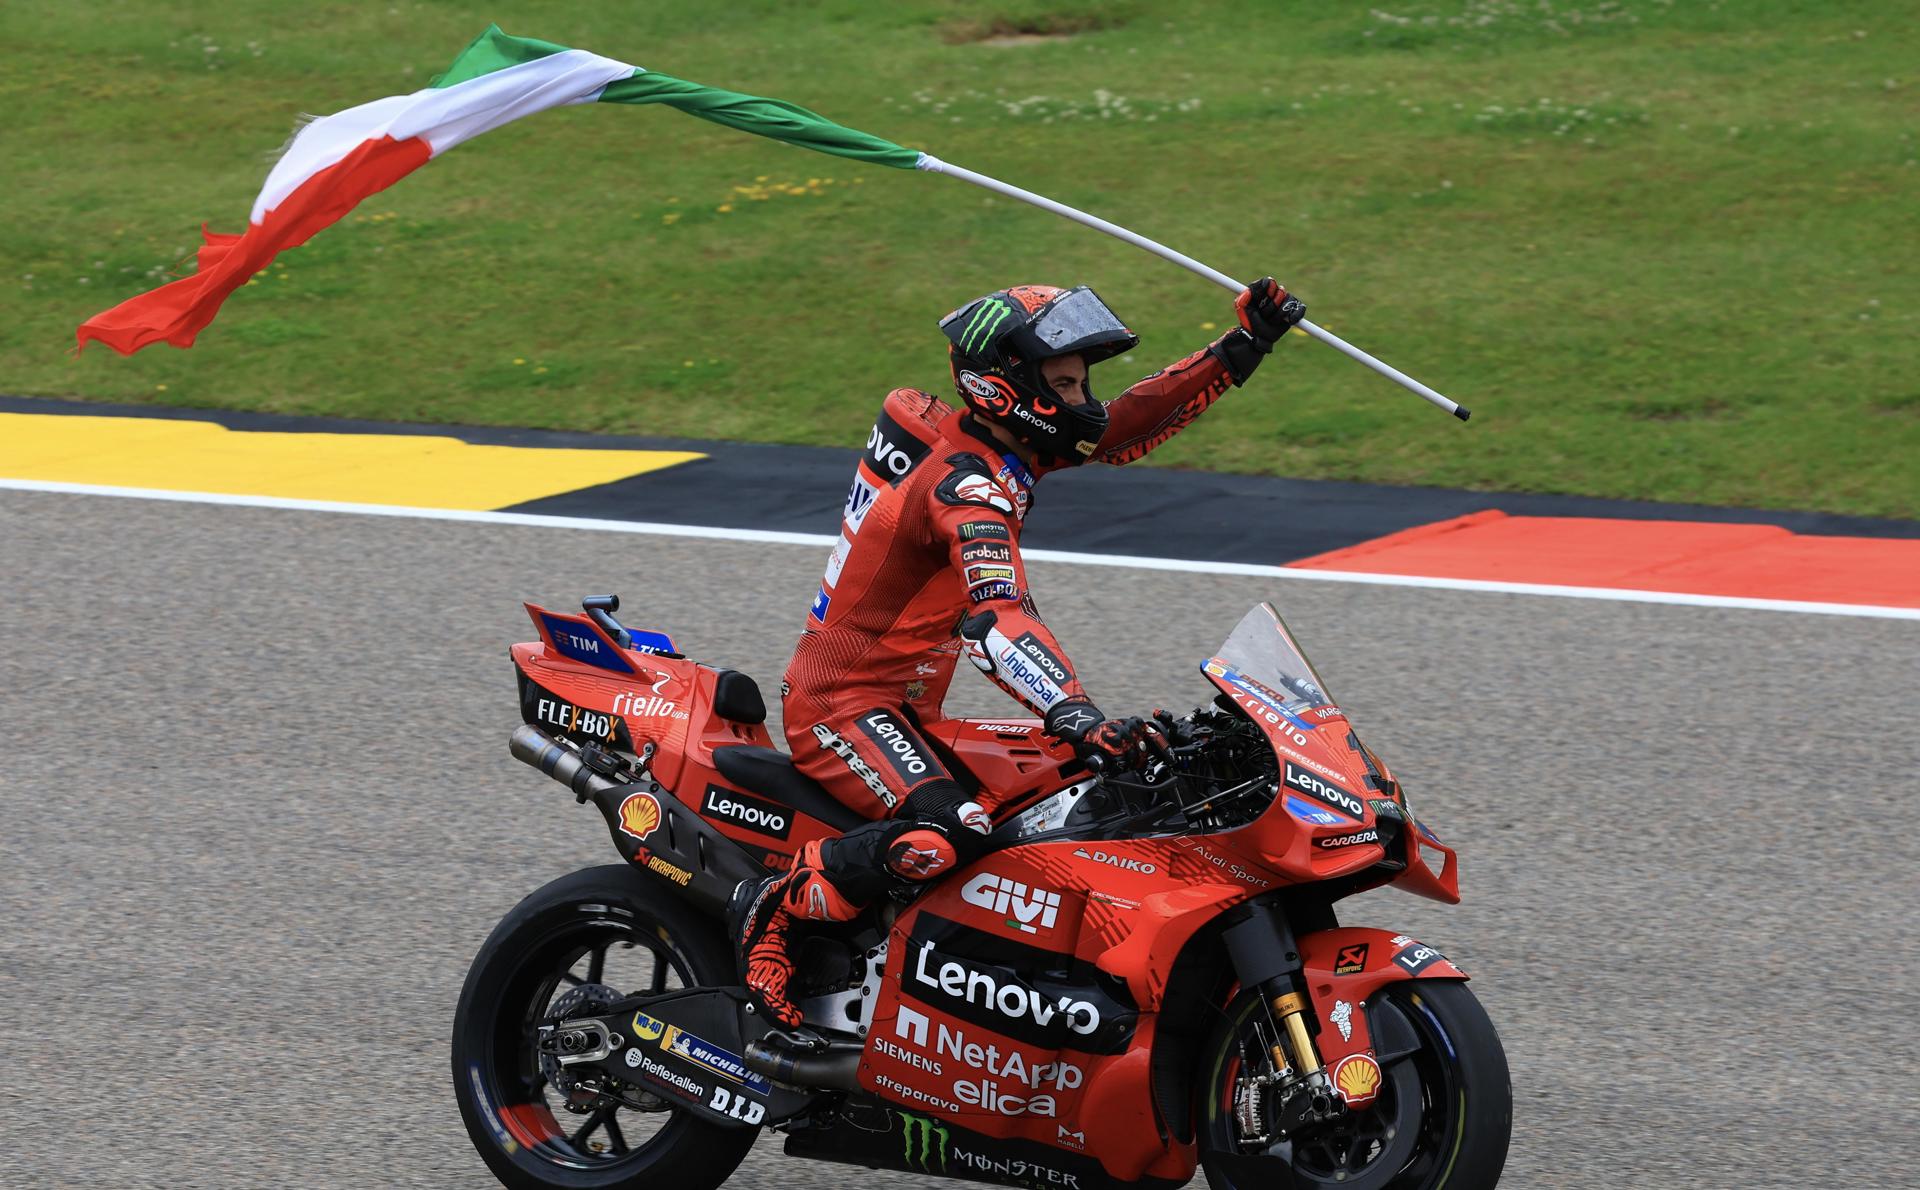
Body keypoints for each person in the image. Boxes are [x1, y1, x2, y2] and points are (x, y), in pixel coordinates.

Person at [732, 278, 1306, 1028]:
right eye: (1064, 383)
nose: (1084, 400)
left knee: (1076, 793)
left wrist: (1243, 348)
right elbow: (995, 622)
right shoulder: (966, 489)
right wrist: (1076, 711)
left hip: (906, 709)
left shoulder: (1016, 450)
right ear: (1007, 388)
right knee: (954, 829)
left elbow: (1128, 426)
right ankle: (775, 909)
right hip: (841, 705)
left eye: (1080, 381)